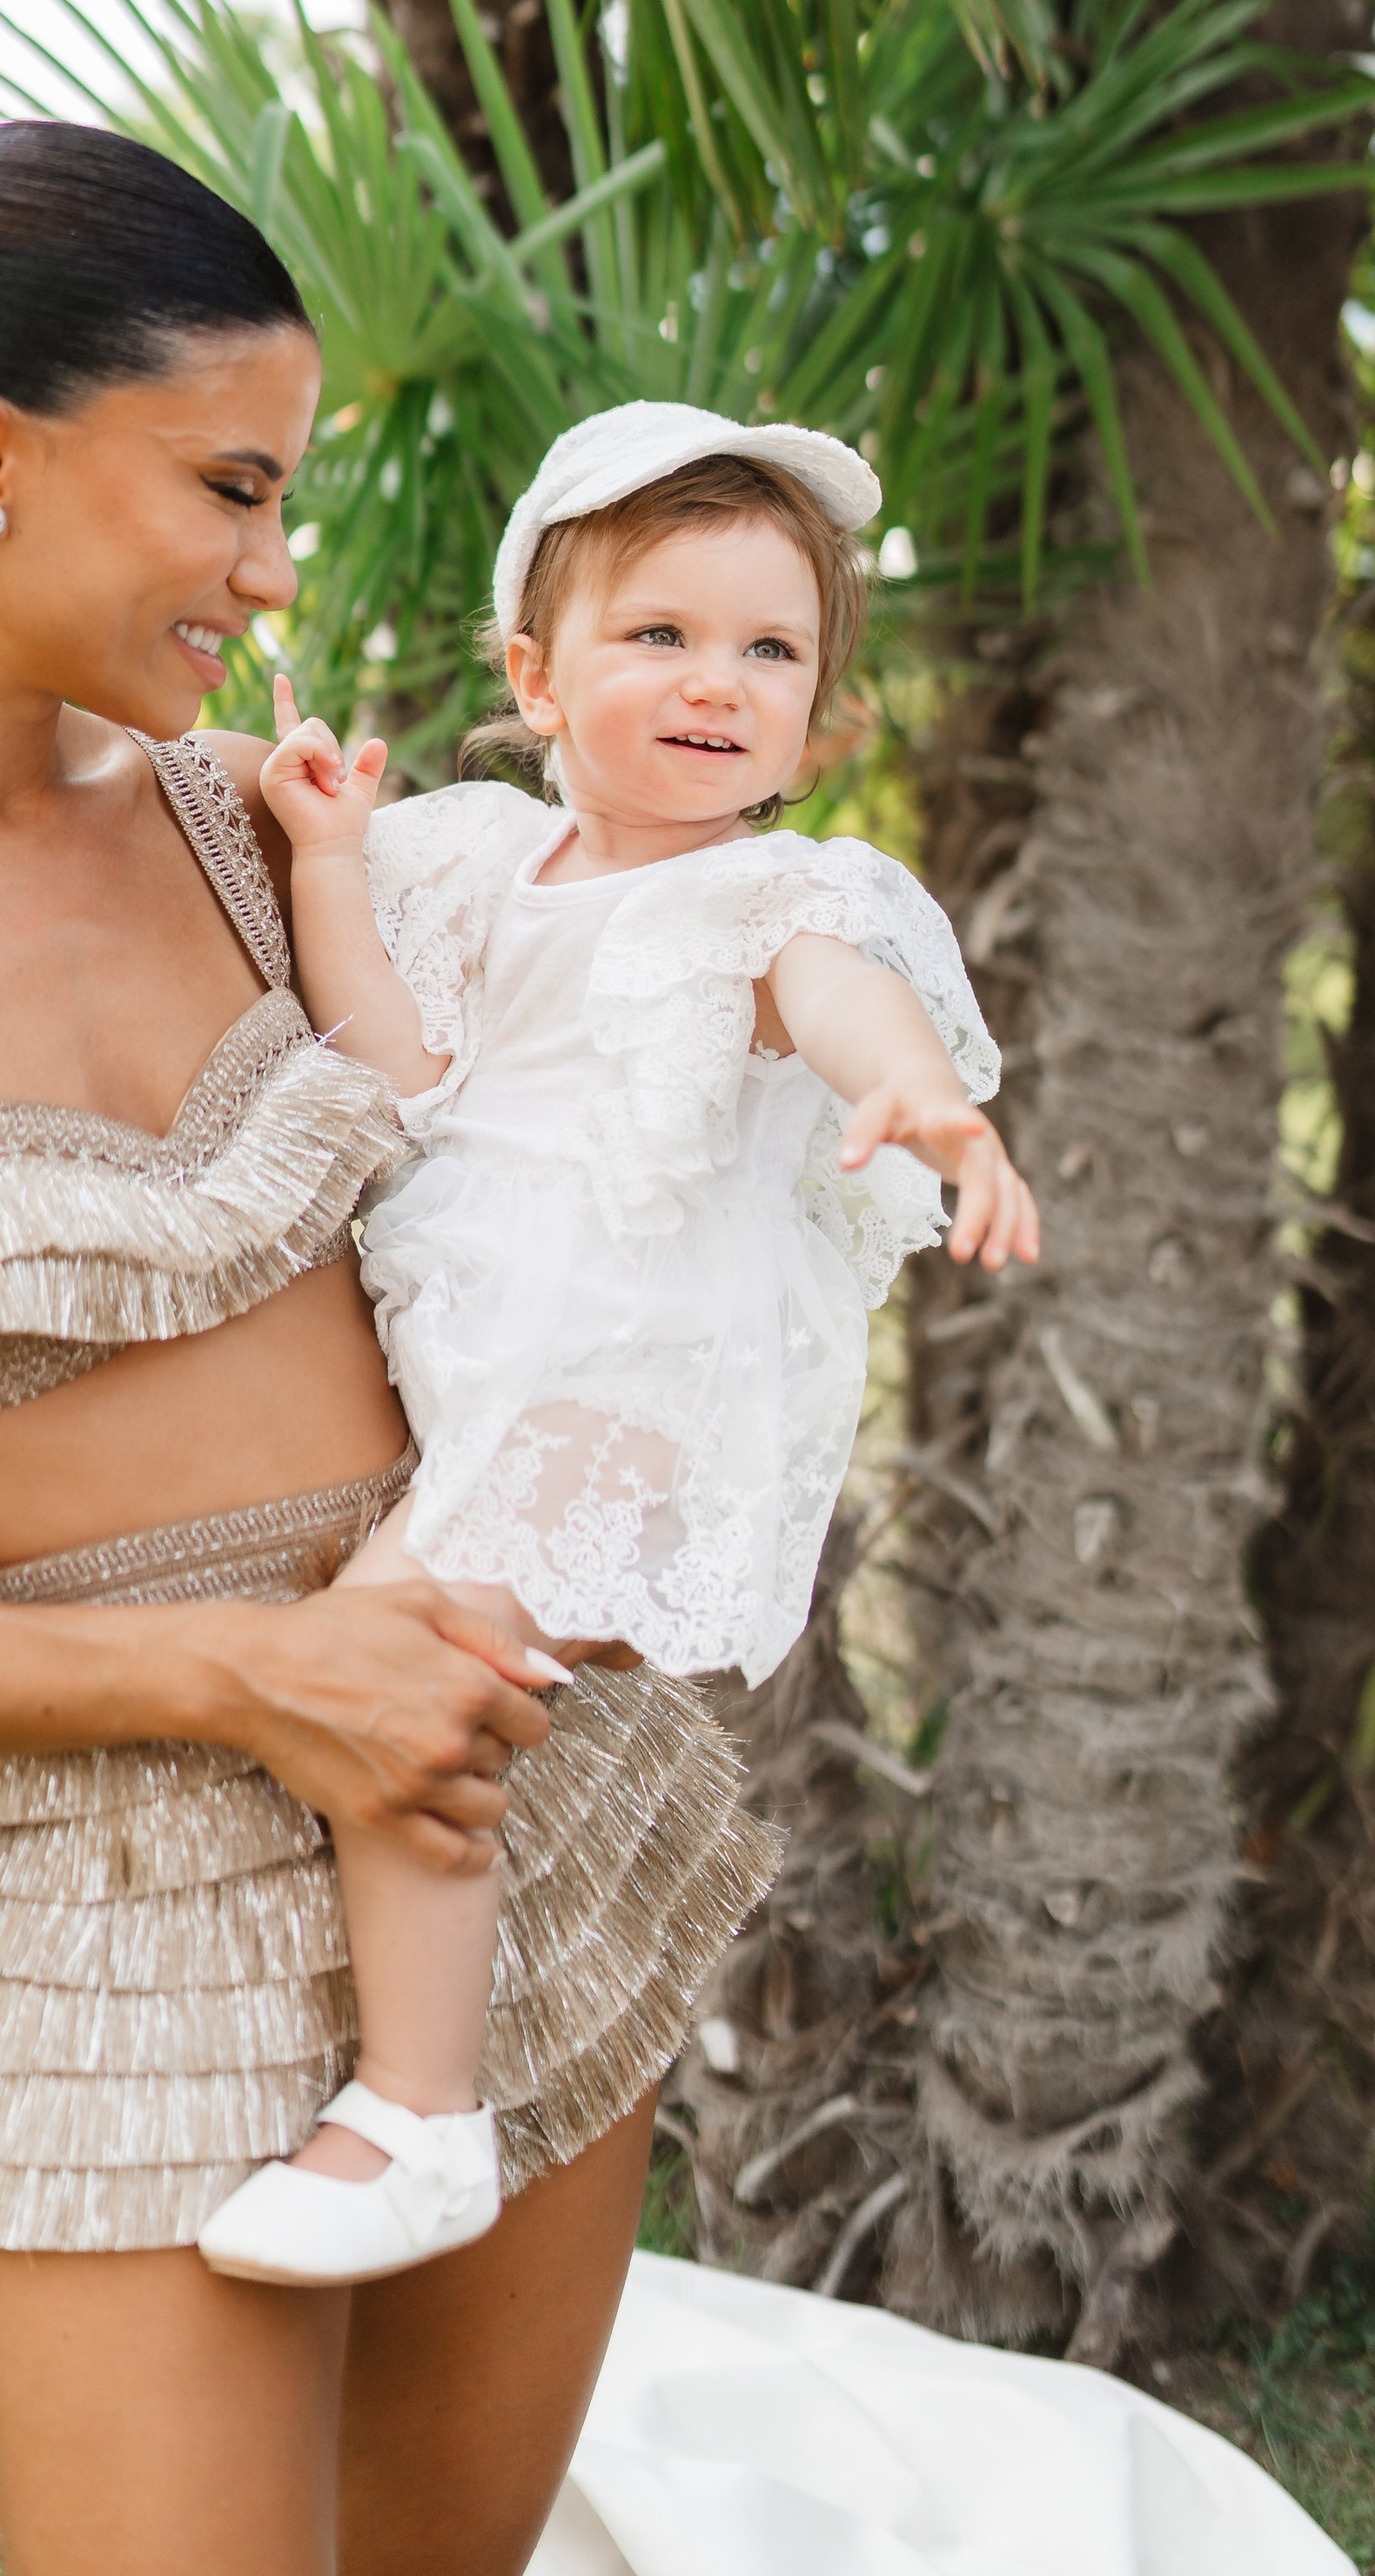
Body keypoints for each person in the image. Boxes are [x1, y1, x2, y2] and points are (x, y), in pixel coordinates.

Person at [0, 128, 777, 2576]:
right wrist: (261, 1676)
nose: (277, 569)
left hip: (518, 1799)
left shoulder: (260, 830)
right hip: (129, 1908)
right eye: (230, 485)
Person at [197, 409, 1041, 2291]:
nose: (714, 685)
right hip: (482, 1357)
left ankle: (415, 2113)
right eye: (657, 635)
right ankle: (433, 2069)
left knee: (396, 1638)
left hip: (627, 1385)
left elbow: (836, 998)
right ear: (534, 674)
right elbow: (399, 1069)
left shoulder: (764, 900)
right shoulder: (487, 866)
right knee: (407, 1645)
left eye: (769, 653)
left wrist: (917, 1096)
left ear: (817, 711)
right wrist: (331, 859)